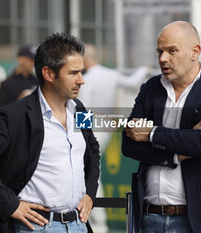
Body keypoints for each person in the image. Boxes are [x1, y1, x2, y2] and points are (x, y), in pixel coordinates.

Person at [0, 33, 100, 233]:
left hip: (78, 225)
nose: (81, 80)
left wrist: (90, 193)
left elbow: (92, 149)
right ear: (49, 74)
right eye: (73, 73)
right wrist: (10, 204)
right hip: (36, 227)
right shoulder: (15, 115)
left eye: (82, 72)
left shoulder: (79, 109)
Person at [122, 21, 201, 233]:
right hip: (149, 217)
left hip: (196, 221)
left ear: (195, 52)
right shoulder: (151, 88)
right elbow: (129, 144)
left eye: (172, 50)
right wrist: (175, 156)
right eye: (160, 51)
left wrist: (152, 133)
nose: (163, 58)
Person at [79, 44, 150, 233]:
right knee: (93, 170)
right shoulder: (111, 74)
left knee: (91, 171)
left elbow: (82, 108)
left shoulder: (87, 80)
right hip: (107, 127)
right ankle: (97, 219)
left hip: (92, 128)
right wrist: (144, 69)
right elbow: (133, 82)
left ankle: (98, 220)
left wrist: (79, 133)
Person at [0, 45, 38, 111]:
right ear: (20, 59)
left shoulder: (37, 82)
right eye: (30, 59)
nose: (33, 63)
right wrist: (20, 101)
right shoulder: (7, 83)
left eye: (35, 60)